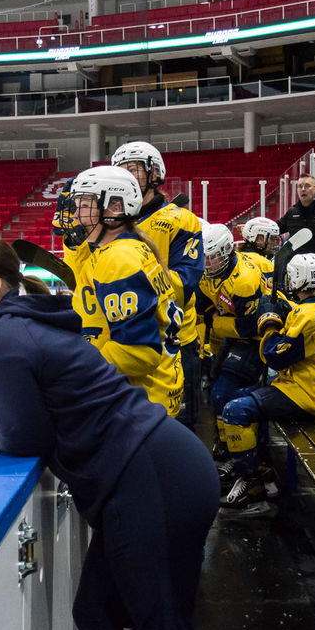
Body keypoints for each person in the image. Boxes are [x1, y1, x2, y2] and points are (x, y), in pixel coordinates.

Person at [0, 233, 218, 630]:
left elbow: (26, 436)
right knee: (99, 616)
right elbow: (49, 403)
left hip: (152, 476)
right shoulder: (20, 324)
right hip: (159, 467)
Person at [219, 253, 315, 515]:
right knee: (240, 395)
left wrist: (268, 321)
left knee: (235, 410)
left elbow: (274, 356)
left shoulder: (306, 317)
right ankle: (251, 463)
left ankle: (251, 482)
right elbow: (308, 317)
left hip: (310, 395)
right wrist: (286, 306)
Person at [58, 165, 186, 419]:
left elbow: (137, 351)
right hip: (150, 395)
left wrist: (78, 372)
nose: (76, 216)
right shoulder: (128, 249)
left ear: (115, 207)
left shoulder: (119, 259)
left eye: (84, 205)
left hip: (139, 403)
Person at [111, 141, 205, 430]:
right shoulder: (110, 222)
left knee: (179, 431)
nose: (126, 176)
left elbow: (184, 288)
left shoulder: (181, 220)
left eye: (133, 169)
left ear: (154, 173)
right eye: (120, 171)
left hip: (173, 342)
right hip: (127, 341)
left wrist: (143, 274)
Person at [194, 223, 270, 464]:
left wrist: (216, 322)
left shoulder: (244, 281)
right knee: (216, 388)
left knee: (224, 393)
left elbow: (248, 327)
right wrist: (217, 318)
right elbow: (202, 304)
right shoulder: (208, 271)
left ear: (226, 252)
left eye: (212, 258)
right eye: (203, 257)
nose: (205, 263)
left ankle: (243, 459)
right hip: (234, 333)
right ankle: (226, 445)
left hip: (255, 340)